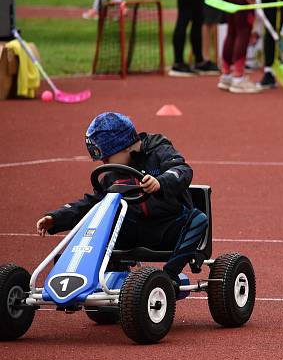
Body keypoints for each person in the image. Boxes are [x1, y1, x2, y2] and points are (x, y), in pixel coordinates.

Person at [35, 112, 208, 287]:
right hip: (133, 229)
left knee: (199, 219)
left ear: (124, 146)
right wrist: (56, 218)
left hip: (169, 226)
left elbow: (181, 169)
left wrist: (160, 182)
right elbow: (92, 204)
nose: (103, 162)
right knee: (102, 217)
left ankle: (169, 276)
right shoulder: (113, 175)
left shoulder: (159, 150)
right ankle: (95, 273)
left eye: (106, 157)